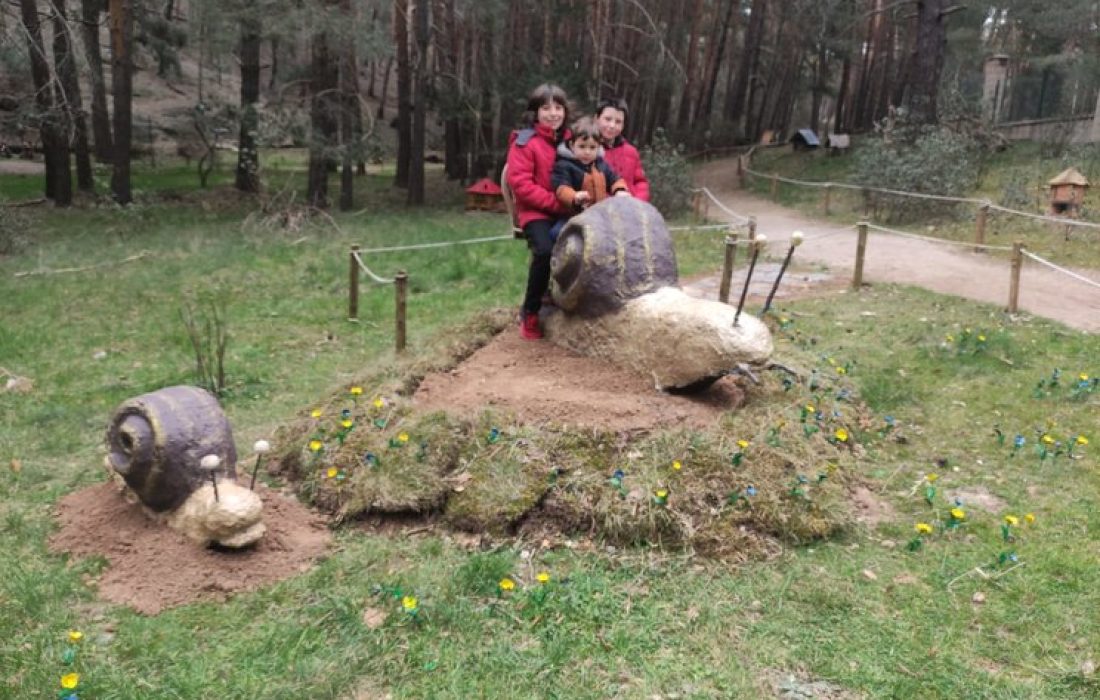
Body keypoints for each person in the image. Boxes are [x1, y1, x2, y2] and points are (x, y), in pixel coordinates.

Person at [506, 84, 572, 341]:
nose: (553, 114)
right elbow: (521, 185)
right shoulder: (524, 143)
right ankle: (530, 311)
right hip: (536, 212)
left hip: (567, 208)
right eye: (546, 108)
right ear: (535, 112)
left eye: (558, 108)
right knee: (544, 251)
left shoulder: (571, 139)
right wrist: (557, 204)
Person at [551, 116, 630, 215]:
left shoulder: (601, 165)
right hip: (573, 215)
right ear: (572, 145)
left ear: (598, 147)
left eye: (592, 147)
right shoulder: (564, 165)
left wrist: (619, 190)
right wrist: (574, 196)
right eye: (582, 146)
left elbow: (615, 179)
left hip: (599, 215)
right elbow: (561, 188)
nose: (587, 152)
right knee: (559, 226)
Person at [595, 98, 650, 202]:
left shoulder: (631, 152)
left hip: (632, 207)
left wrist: (637, 201)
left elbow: (641, 182)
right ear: (596, 119)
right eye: (607, 119)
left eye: (618, 122)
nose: (612, 125)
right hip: (602, 208)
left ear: (623, 125)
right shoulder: (588, 150)